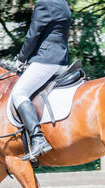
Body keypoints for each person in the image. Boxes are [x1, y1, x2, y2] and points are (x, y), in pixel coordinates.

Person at [11, 0, 71, 161]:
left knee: (18, 93)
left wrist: (22, 59)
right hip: (62, 60)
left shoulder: (44, 3)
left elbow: (33, 34)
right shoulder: (63, 3)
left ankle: (38, 139)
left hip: (46, 60)